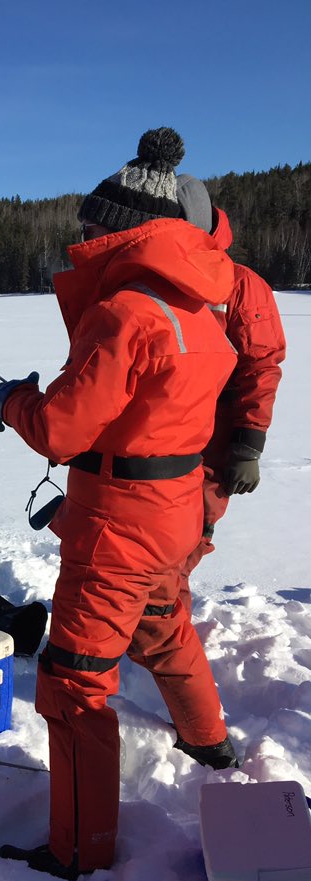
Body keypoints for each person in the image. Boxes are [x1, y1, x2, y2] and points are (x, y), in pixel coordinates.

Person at [0, 128, 238, 879]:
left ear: (123, 226)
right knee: (164, 629)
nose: (82, 236)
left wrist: (10, 402)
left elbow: (62, 426)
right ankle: (208, 740)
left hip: (119, 524)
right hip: (175, 512)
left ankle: (77, 853)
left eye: (91, 225)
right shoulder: (197, 307)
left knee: (73, 684)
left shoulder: (127, 311)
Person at [175, 174, 286, 610]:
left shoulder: (239, 284)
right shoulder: (151, 277)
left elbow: (261, 365)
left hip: (214, 446)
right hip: (158, 442)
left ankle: (165, 633)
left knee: (188, 542)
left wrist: (248, 446)